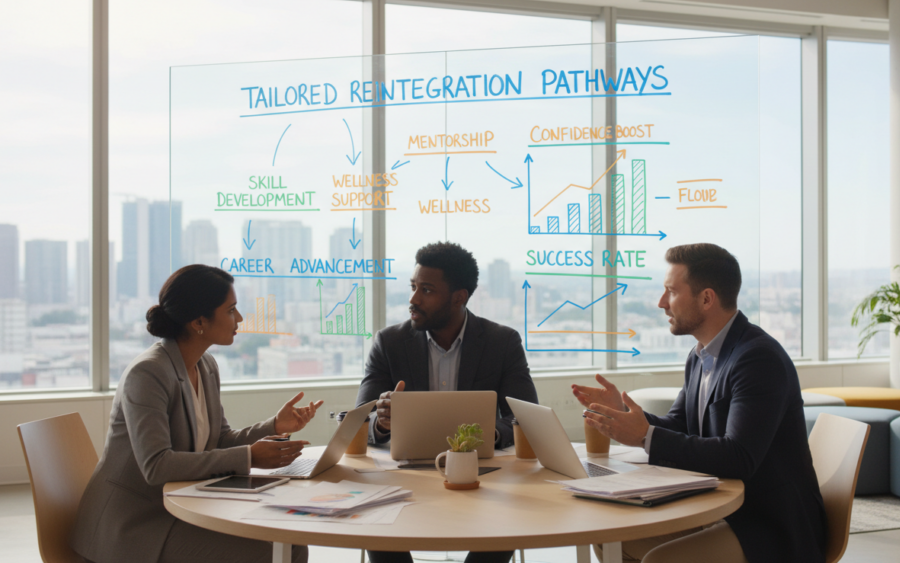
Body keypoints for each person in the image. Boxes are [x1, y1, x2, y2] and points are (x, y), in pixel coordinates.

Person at [572, 244, 826, 563]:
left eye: (671, 292)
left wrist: (644, 436)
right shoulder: (701, 355)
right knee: (609, 536)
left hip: (765, 524)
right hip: (719, 507)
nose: (661, 303)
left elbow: (739, 456)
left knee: (659, 559)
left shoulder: (757, 359)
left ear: (706, 299)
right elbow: (680, 424)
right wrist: (625, 415)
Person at [71, 265, 322, 563]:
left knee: (293, 543)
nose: (239, 318)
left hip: (177, 507)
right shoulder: (148, 373)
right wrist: (250, 457)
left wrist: (275, 425)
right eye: (231, 310)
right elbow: (157, 466)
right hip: (137, 525)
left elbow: (219, 438)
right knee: (270, 551)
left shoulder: (206, 366)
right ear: (199, 321)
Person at [354, 242, 538, 563]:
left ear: (459, 297)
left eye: (426, 290)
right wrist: (381, 422)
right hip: (403, 475)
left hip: (480, 475)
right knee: (375, 521)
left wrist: (488, 435)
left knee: (510, 516)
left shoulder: (501, 342)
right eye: (413, 287)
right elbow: (360, 419)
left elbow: (524, 419)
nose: (413, 299)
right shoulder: (389, 342)